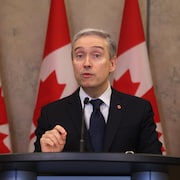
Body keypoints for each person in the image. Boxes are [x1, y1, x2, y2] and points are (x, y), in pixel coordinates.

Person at [34, 28, 162, 154]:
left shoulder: (138, 110)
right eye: (79, 56)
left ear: (112, 63)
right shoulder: (52, 114)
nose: (87, 63)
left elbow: (154, 167)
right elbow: (37, 170)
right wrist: (49, 157)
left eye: (96, 55)